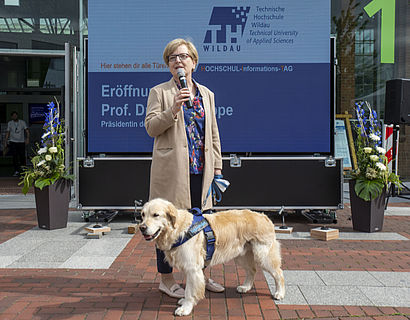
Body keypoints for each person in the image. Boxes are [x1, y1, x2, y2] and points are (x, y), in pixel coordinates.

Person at [145, 38, 224, 299]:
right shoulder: (160, 93)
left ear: (194, 62)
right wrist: (174, 108)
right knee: (164, 226)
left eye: (182, 57)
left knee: (203, 226)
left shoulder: (207, 94)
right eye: (172, 58)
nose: (177, 61)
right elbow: (151, 128)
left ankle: (201, 276)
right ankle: (166, 281)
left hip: (202, 171)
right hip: (172, 172)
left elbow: (212, 135)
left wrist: (219, 169)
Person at [3, 111, 29, 176]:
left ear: (17, 116)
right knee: (15, 157)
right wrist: (5, 141)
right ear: (12, 117)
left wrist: (27, 138)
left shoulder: (22, 122)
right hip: (13, 142)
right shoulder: (10, 123)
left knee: (22, 156)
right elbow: (8, 132)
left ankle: (24, 170)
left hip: (21, 142)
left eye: (16, 115)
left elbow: (27, 131)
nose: (15, 116)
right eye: (13, 116)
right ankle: (16, 171)